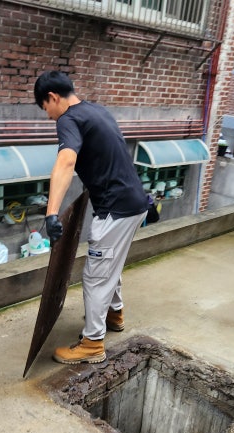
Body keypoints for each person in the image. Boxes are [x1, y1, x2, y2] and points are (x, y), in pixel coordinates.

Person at [34, 70, 149, 365]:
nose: (48, 116)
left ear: (53, 97)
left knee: (96, 274)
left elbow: (66, 161)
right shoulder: (97, 111)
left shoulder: (68, 119)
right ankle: (114, 314)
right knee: (111, 262)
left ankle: (92, 343)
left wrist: (51, 213)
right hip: (134, 202)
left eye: (45, 108)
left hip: (116, 208)